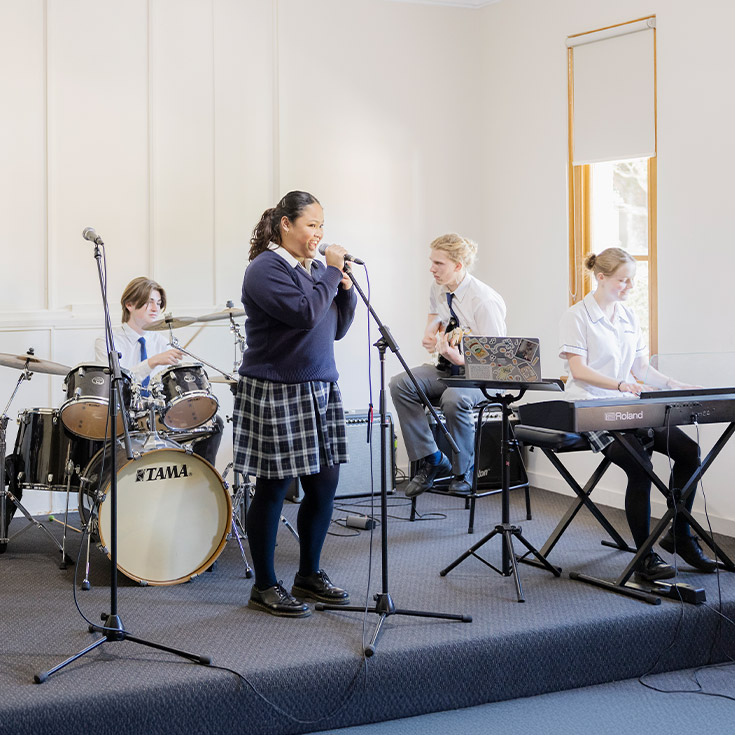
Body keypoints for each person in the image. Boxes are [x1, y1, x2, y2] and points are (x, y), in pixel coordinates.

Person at [233, 191, 357, 618]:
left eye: (322, 226)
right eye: (311, 225)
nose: (319, 234)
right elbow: (304, 314)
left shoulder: (316, 270)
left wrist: (343, 290)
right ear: (286, 225)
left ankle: (308, 574)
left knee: (324, 485)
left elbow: (334, 327)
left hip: (321, 386)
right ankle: (264, 585)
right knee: (273, 487)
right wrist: (330, 274)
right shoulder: (265, 268)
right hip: (277, 388)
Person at [559, 247, 717, 581]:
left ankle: (680, 535)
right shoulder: (577, 316)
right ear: (601, 277)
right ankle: (645, 557)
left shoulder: (629, 316)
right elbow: (579, 370)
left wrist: (675, 385)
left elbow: (641, 369)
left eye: (632, 280)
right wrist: (620, 384)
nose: (629, 287)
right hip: (592, 407)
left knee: (689, 452)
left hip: (627, 402)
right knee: (640, 466)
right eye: (623, 280)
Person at [389, 233, 507, 498]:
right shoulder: (439, 287)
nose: (432, 269)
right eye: (432, 262)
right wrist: (431, 332)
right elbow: (436, 316)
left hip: (484, 376)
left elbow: (496, 362)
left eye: (438, 263)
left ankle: (462, 472)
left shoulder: (484, 301)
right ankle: (431, 458)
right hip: (449, 368)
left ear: (458, 265)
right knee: (401, 383)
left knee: (454, 398)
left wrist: (459, 360)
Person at [94, 277, 222, 466]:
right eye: (149, 302)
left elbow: (169, 387)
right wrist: (151, 362)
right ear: (129, 304)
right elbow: (116, 385)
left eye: (159, 303)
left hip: (155, 413)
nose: (156, 308)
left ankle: (199, 480)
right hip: (125, 416)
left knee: (213, 421)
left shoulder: (161, 342)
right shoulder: (108, 341)